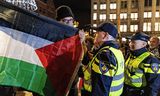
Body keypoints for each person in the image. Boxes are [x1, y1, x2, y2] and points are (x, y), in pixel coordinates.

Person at [56, 5, 85, 96]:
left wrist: (81, 43)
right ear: (58, 22)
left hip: (72, 85)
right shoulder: (53, 37)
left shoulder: (77, 37)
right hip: (56, 85)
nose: (69, 23)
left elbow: (84, 61)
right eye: (65, 20)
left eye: (71, 20)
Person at [89, 22, 124, 96]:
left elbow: (101, 88)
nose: (95, 35)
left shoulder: (105, 54)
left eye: (97, 33)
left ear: (105, 35)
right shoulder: (116, 51)